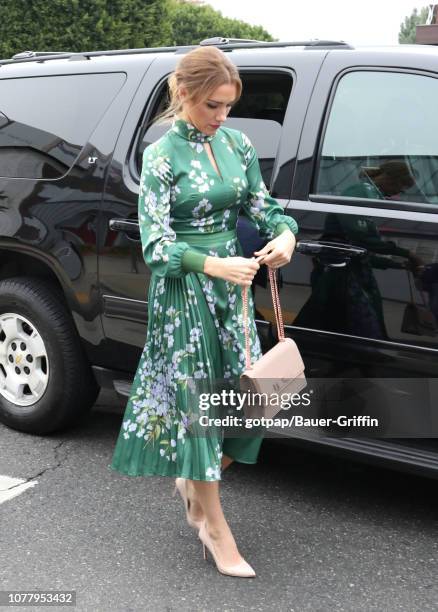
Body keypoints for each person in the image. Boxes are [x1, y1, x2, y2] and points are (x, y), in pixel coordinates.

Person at [109, 46, 298, 578]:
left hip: (231, 293)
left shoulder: (237, 144)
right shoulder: (162, 156)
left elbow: (265, 208)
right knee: (203, 409)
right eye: (212, 105)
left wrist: (285, 237)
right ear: (184, 94)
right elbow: (155, 246)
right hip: (185, 293)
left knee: (255, 403)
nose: (221, 117)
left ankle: (194, 481)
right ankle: (214, 527)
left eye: (228, 106)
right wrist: (214, 265)